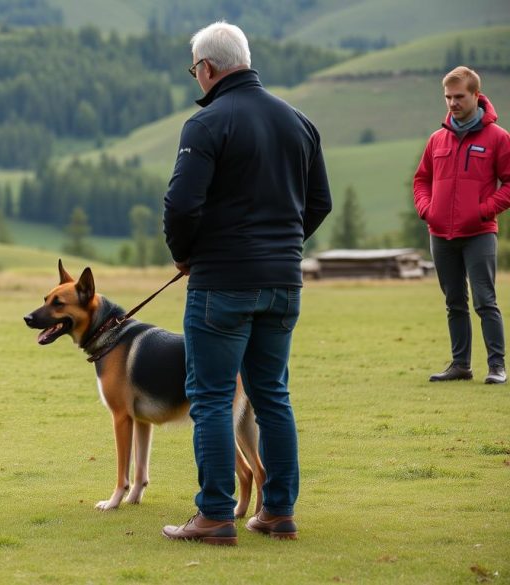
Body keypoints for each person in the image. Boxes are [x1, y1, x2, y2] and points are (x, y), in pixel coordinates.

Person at [160, 22, 332, 545]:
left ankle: (214, 515)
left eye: (195, 70)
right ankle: (278, 512)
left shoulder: (206, 123)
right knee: (272, 395)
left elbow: (181, 205)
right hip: (284, 282)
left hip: (222, 284)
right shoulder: (298, 121)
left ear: (206, 68)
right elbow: (318, 202)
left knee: (210, 398)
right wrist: (282, 247)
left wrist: (187, 255)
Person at [414, 66, 509, 385]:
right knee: (454, 301)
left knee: (485, 300)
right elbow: (421, 179)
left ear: (475, 96)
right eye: (448, 97)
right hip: (440, 234)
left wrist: (485, 210)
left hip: (479, 234)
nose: (452, 103)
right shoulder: (436, 139)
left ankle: (497, 366)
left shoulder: (498, 138)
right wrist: (427, 209)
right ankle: (460, 365)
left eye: (459, 97)